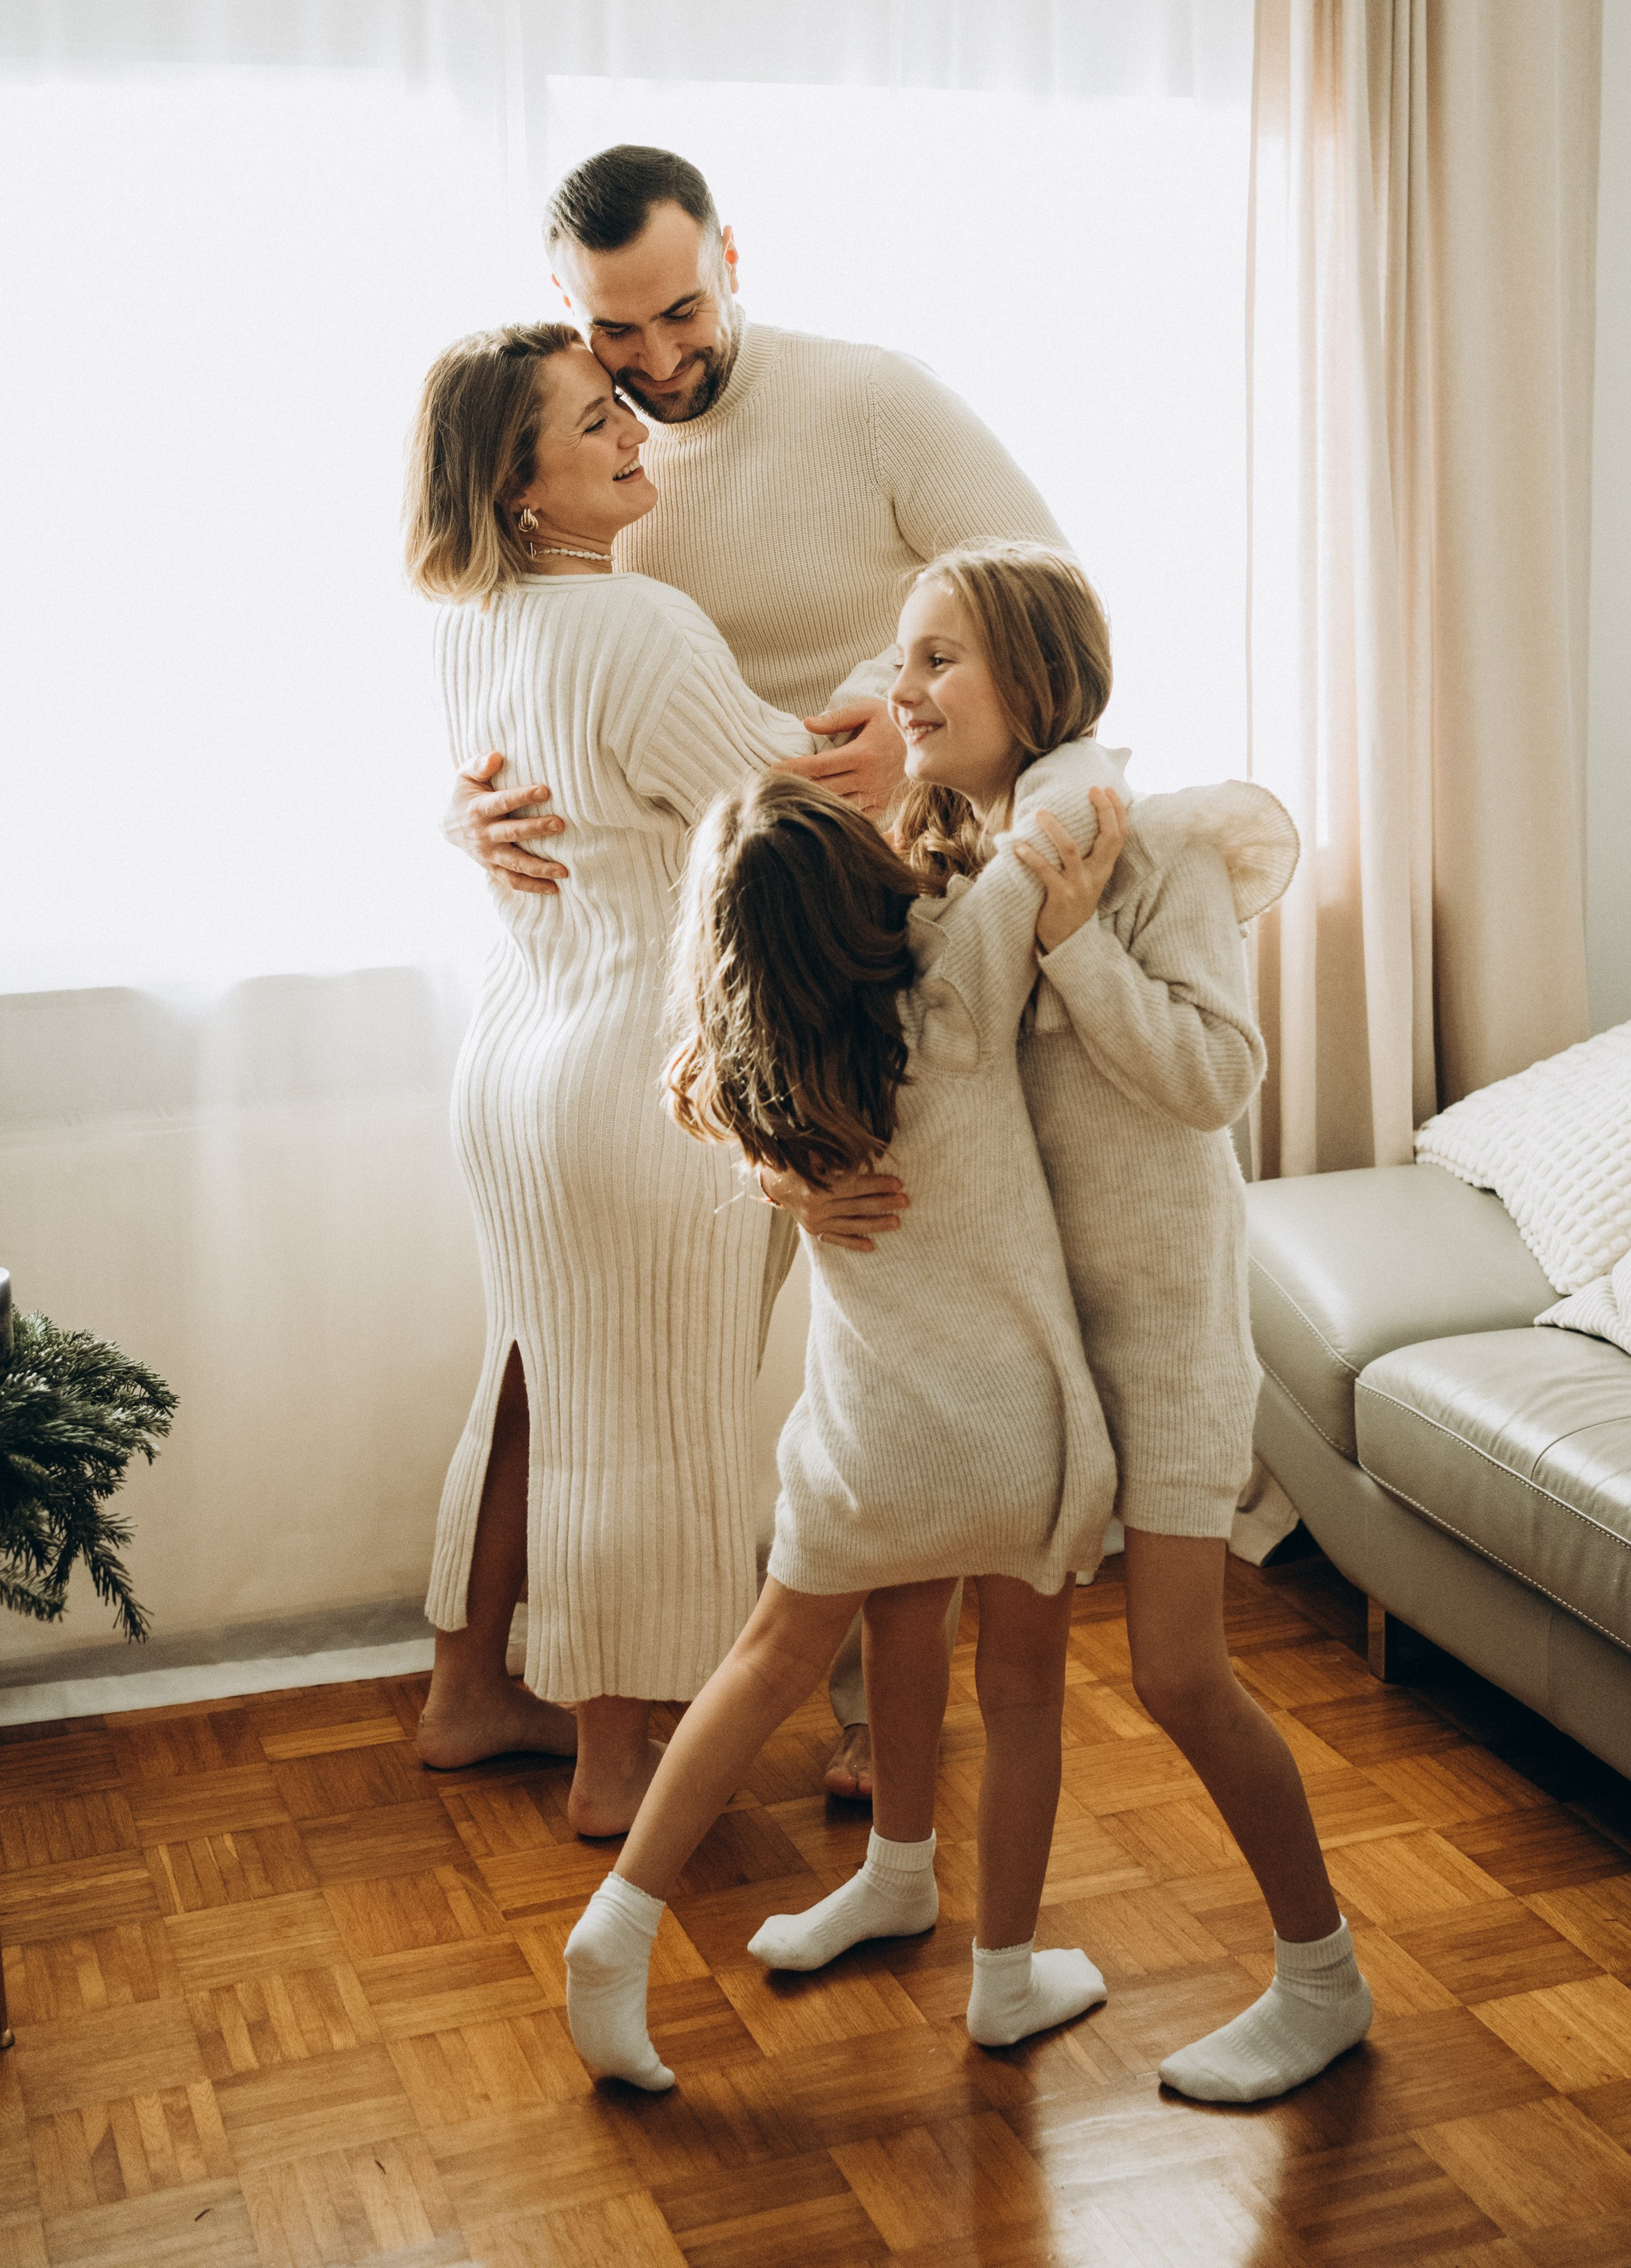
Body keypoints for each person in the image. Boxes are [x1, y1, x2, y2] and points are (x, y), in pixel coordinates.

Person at [446, 142, 1067, 1797]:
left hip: (862, 932)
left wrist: (899, 706)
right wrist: (470, 810)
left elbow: (1045, 584)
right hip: (669, 962)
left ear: (731, 251)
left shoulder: (868, 401)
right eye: (612, 337)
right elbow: (550, 668)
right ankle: (692, 1708)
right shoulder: (598, 457)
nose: (651, 365)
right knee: (651, 1360)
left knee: (885, 1330)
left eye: (678, 311)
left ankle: (876, 1730)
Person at [763, 544, 1375, 2104]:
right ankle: (902, 1875)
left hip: (1154, 1339)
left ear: (1037, 676)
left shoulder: (1133, 846)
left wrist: (1071, 942)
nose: (901, 693)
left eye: (936, 660)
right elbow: (878, 1065)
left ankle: (1322, 1978)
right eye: (900, 660)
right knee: (912, 1607)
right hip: (1018, 1331)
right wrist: (800, 1189)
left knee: (1176, 1669)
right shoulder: (948, 844)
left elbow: (1210, 1077)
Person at [562, 771, 1125, 2091]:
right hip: (1014, 1434)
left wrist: (779, 1179)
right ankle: (1000, 1977)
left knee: (771, 1662)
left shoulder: (759, 1082)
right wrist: (926, 750)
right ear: (866, 888)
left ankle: (621, 1922)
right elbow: (1075, 799)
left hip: (875, 1443)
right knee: (1025, 1695)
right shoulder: (955, 993)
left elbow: (719, 1080)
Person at [404, 321, 812, 1835]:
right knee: (651, 1409)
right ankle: (612, 1761)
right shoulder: (640, 631)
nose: (637, 430)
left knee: (530, 1381)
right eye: (595, 422)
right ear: (519, 487)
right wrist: (897, 732)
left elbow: (524, 800)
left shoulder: (469, 621)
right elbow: (775, 805)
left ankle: (466, 1691)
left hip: (514, 1064)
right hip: (637, 1079)